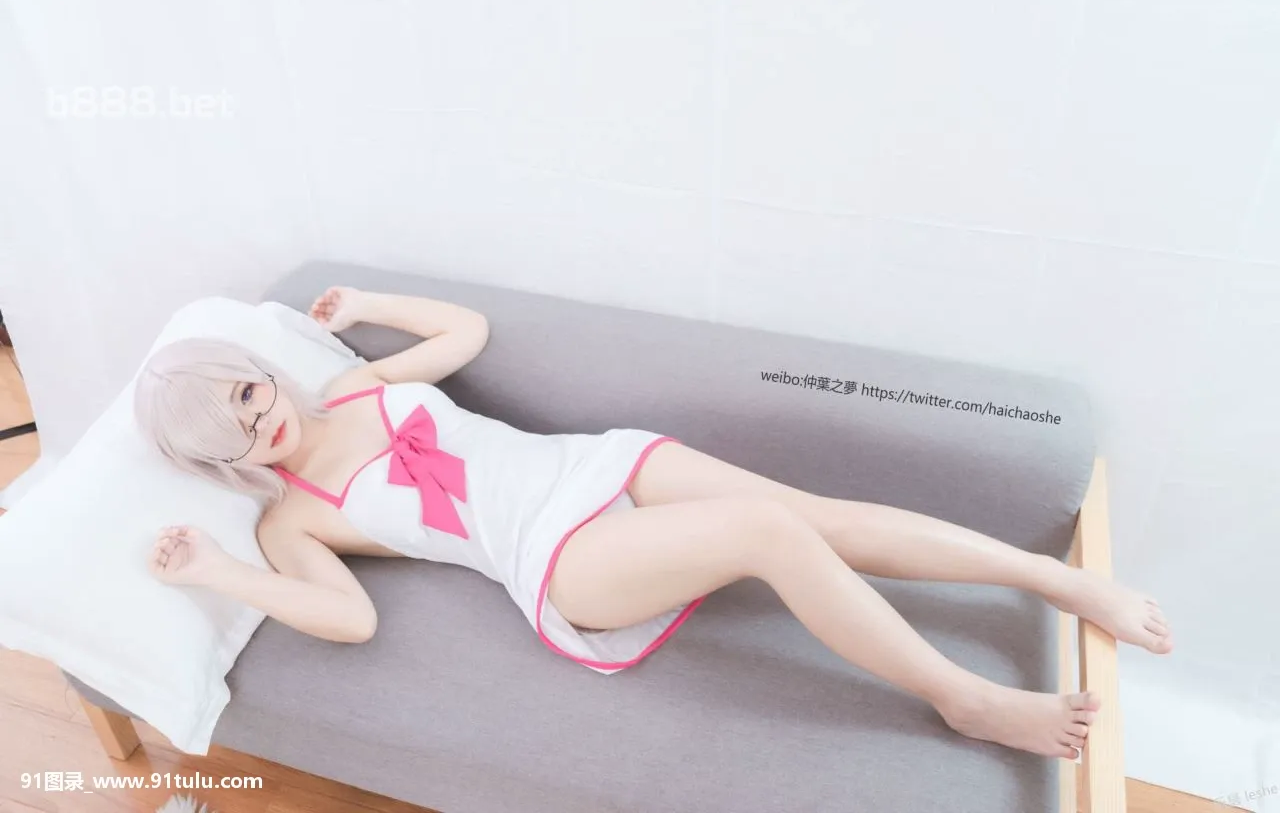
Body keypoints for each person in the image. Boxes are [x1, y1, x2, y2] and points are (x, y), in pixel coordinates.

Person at [136, 285, 1172, 761]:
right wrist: (214, 572)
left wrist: (369, 301)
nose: (259, 424)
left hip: (595, 461)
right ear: (217, 463)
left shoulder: (356, 386)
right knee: (769, 536)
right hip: (559, 557)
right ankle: (964, 699)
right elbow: (348, 620)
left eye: (247, 394)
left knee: (811, 513)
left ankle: (1056, 579)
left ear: (259, 372)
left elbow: (466, 329)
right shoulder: (292, 520)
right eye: (231, 435)